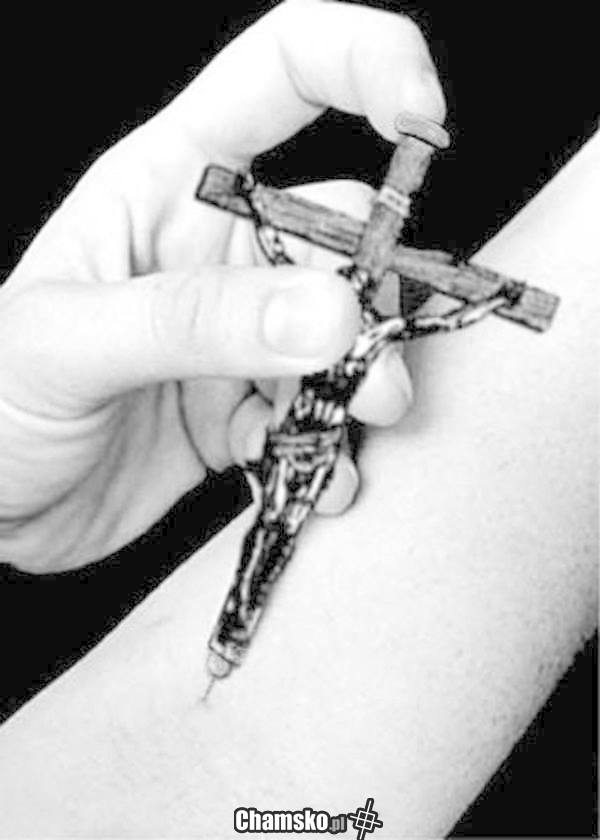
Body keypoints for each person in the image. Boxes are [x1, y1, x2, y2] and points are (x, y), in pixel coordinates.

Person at [0, 1, 597, 837]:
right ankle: (232, 635)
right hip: (290, 445)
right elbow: (231, 775)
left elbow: (449, 312)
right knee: (270, 539)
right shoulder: (343, 299)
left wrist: (496, 302)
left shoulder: (376, 327)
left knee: (279, 535)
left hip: (305, 453)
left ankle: (231, 637)